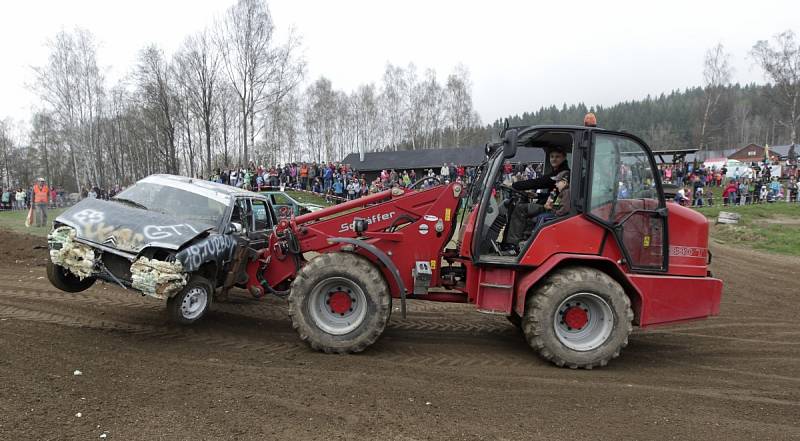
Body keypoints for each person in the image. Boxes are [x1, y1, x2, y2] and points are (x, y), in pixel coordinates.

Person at [505, 148, 570, 246]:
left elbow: (538, 182)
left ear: (564, 158)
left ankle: (512, 244)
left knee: (520, 208)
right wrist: (537, 195)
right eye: (552, 156)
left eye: (557, 157)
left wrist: (514, 185)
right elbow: (554, 193)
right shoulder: (559, 172)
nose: (554, 159)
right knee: (525, 208)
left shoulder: (562, 174)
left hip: (552, 208)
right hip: (551, 204)